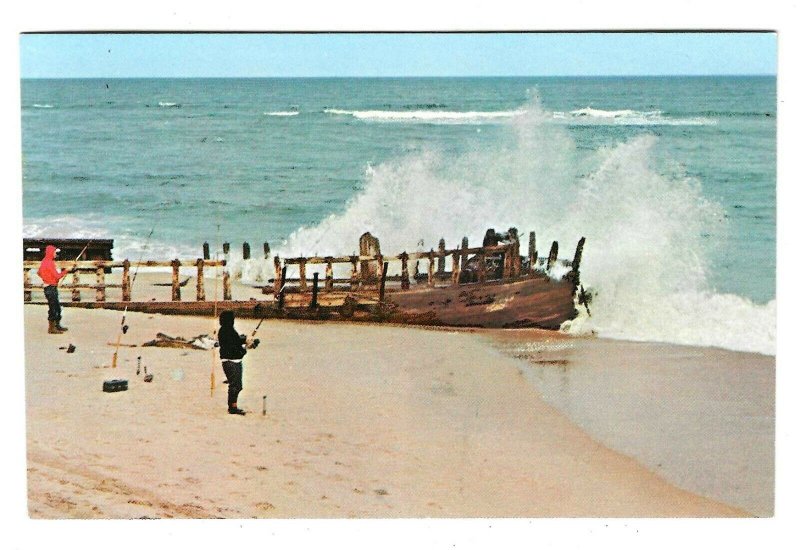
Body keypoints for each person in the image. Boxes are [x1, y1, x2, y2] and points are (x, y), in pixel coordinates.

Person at [218, 310, 249, 415]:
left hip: (230, 361)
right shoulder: (228, 331)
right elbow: (233, 347)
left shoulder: (225, 330)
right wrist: (243, 350)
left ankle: (233, 406)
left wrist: (243, 340)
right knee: (235, 385)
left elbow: (235, 341)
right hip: (232, 361)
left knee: (236, 385)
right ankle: (232, 407)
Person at [37, 245, 71, 334]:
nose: (56, 254)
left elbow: (39, 272)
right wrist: (66, 270)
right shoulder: (49, 263)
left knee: (56, 307)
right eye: (55, 252)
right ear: (50, 253)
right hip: (50, 288)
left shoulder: (44, 261)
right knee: (54, 308)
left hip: (48, 287)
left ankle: (56, 326)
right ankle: (52, 328)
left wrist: (46, 279)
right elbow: (57, 276)